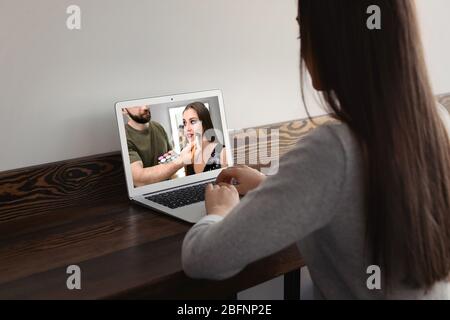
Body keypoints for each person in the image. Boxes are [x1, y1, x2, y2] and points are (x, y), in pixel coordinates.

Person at [182, 0, 450, 299]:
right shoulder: (438, 121)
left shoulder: (334, 149)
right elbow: (355, 198)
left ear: (334, 40)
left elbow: (203, 259)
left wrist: (220, 210)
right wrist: (270, 187)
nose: (303, 49)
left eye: (304, 33)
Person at [123, 106, 193, 187]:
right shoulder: (124, 137)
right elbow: (139, 179)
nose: (145, 107)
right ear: (123, 110)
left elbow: (170, 156)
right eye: (136, 104)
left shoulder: (158, 126)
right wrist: (181, 160)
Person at [181, 102, 228, 176]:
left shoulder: (223, 152)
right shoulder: (188, 155)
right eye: (184, 123)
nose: (187, 128)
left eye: (193, 121)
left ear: (204, 122)